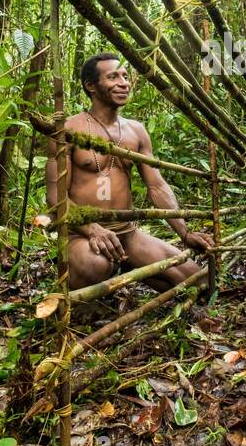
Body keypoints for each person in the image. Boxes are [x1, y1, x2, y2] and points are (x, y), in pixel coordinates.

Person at [45, 53, 213, 293]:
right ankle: (92, 285)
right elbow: (55, 197)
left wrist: (184, 232)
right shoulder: (68, 129)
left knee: (199, 280)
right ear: (90, 86)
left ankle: (128, 266)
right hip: (81, 235)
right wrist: (92, 229)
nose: (124, 82)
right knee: (97, 264)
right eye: (113, 77)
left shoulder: (136, 131)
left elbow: (157, 186)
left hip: (128, 235)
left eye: (125, 76)